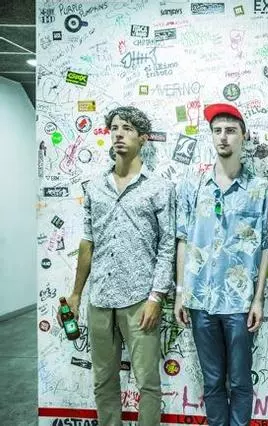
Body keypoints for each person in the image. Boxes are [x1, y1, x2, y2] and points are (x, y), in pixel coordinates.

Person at [63, 106, 176, 426]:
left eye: (127, 128)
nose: (118, 134)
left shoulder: (159, 187)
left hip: (140, 300)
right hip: (99, 299)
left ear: (143, 138)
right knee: (103, 380)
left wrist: (156, 297)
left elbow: (167, 245)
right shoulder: (95, 187)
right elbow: (87, 242)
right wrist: (76, 294)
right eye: (114, 128)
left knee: (148, 382)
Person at [174, 103, 268, 426]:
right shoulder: (193, 186)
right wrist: (180, 293)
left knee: (241, 380)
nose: (223, 137)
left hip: (239, 303)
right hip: (200, 300)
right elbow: (183, 240)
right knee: (213, 381)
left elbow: (265, 247)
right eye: (217, 131)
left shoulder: (260, 189)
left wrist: (258, 299)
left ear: (244, 136)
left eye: (230, 130)